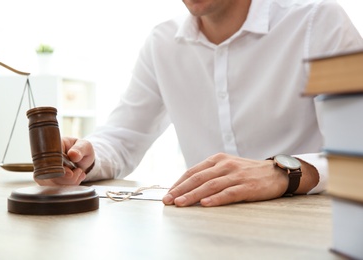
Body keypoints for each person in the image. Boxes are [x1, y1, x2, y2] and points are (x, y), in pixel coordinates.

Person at [35, 0, 363, 207]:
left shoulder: (319, 22)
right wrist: (83, 160)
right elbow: (122, 136)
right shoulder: (161, 42)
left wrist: (282, 173)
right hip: (204, 230)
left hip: (311, 233)